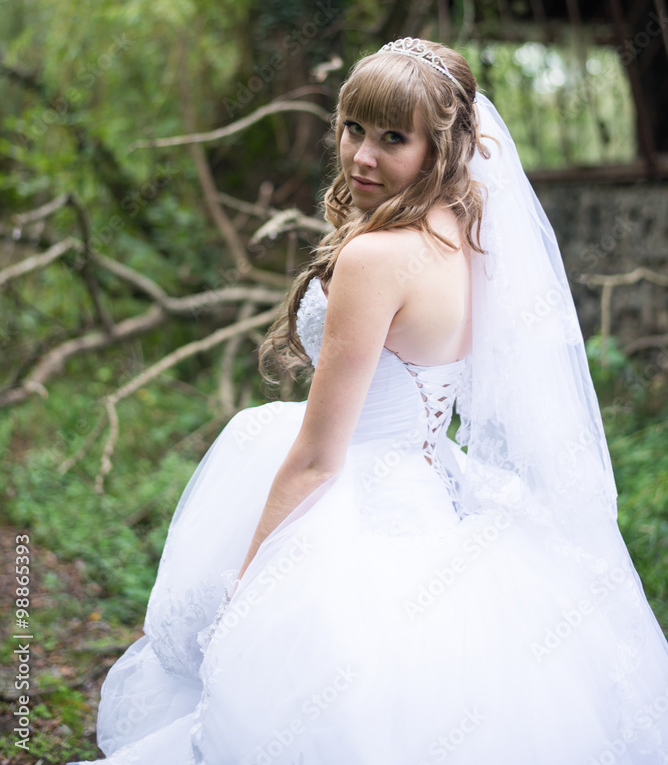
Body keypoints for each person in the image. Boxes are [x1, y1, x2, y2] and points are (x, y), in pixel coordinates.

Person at [69, 39, 668, 765]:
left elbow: (320, 458)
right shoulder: (472, 237)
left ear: (442, 146)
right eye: (353, 127)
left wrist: (247, 583)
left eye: (393, 138)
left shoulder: (376, 258)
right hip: (433, 486)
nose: (361, 156)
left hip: (358, 492)